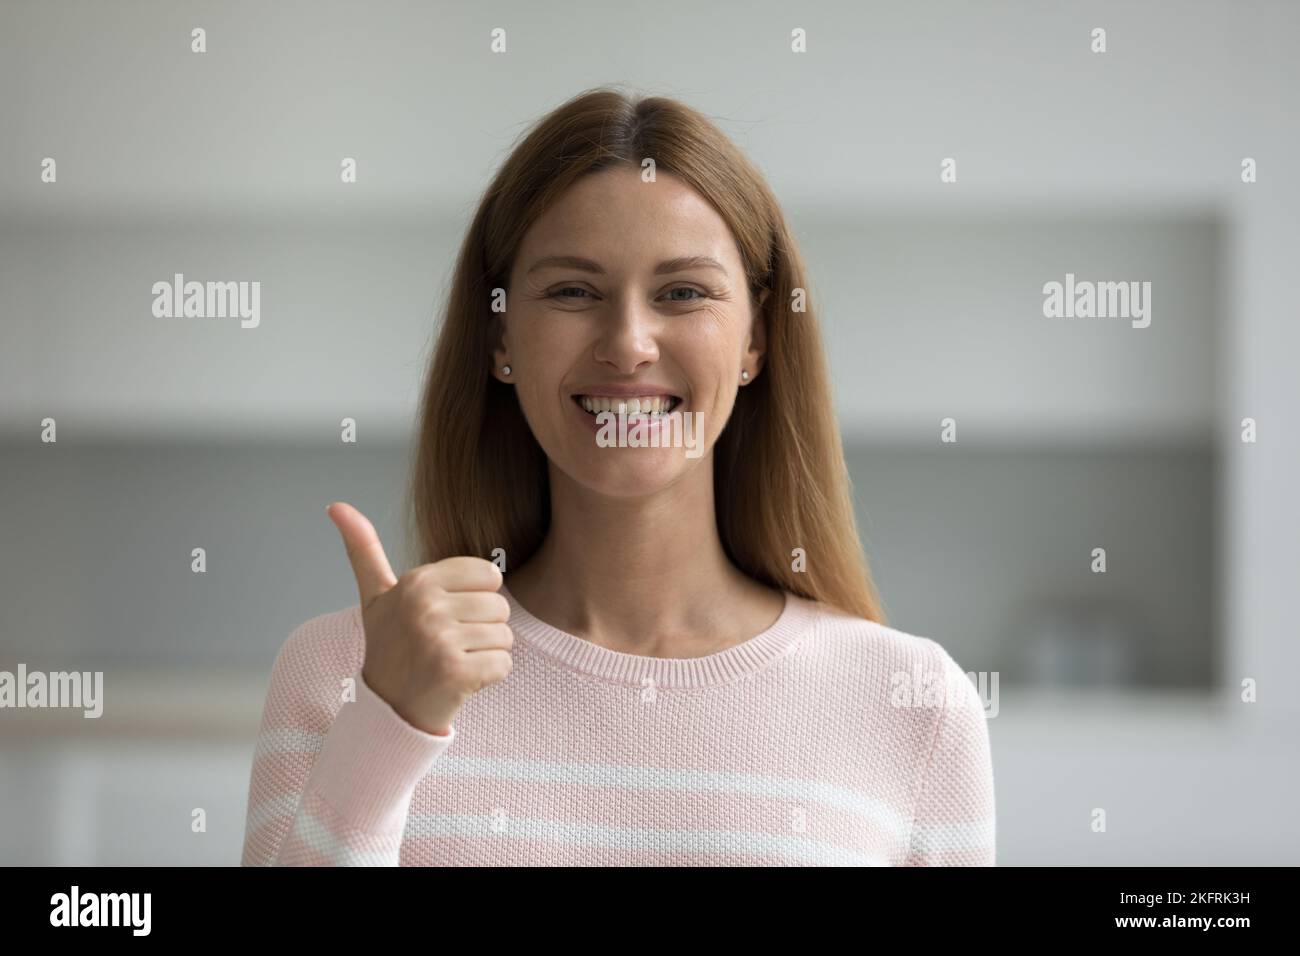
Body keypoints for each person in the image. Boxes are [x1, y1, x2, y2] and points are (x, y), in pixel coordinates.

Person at [240, 87, 995, 866]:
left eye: (683, 293)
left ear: (756, 340)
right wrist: (388, 726)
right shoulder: (347, 672)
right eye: (573, 292)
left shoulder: (913, 703)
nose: (628, 343)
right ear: (501, 335)